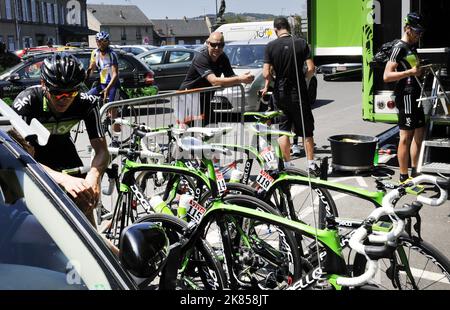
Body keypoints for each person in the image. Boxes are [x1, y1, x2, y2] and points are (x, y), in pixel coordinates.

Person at [12, 52, 109, 227]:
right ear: (43, 85)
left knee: (85, 201)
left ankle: (93, 247)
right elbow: (20, 156)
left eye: (71, 93)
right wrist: (63, 179)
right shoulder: (28, 102)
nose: (64, 99)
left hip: (64, 150)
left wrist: (93, 177)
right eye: (57, 93)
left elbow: (102, 151)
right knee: (38, 218)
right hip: (34, 158)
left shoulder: (87, 102)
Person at [261, 17, 319, 176]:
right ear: (288, 28)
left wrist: (275, 80)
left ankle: (287, 164)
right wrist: (303, 78)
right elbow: (311, 68)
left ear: (275, 30)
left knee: (283, 129)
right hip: (299, 92)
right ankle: (311, 164)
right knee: (307, 130)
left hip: (280, 93)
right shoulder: (300, 43)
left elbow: (265, 72)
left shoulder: (270, 46)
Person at [179, 32, 254, 126]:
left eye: (220, 45)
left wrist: (245, 78)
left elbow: (230, 76)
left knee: (212, 128)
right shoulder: (201, 58)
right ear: (207, 43)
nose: (217, 48)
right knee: (191, 132)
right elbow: (214, 81)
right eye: (214, 45)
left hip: (204, 99)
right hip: (189, 99)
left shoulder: (223, 57)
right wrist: (240, 79)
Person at [383, 12, 425, 182]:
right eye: (416, 31)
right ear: (407, 29)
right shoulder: (398, 47)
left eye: (421, 32)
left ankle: (415, 172)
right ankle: (403, 176)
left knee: (419, 134)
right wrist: (410, 72)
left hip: (416, 94)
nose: (419, 35)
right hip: (406, 95)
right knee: (405, 137)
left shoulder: (411, 47)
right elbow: (387, 75)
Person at [86, 31, 121, 133]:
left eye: (104, 41)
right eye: (99, 41)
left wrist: (108, 89)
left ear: (108, 42)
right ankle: (96, 120)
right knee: (87, 97)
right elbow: (91, 68)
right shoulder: (95, 53)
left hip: (113, 85)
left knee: (112, 111)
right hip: (102, 84)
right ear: (97, 42)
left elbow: (115, 74)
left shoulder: (112, 54)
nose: (102, 43)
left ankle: (116, 139)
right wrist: (85, 76)